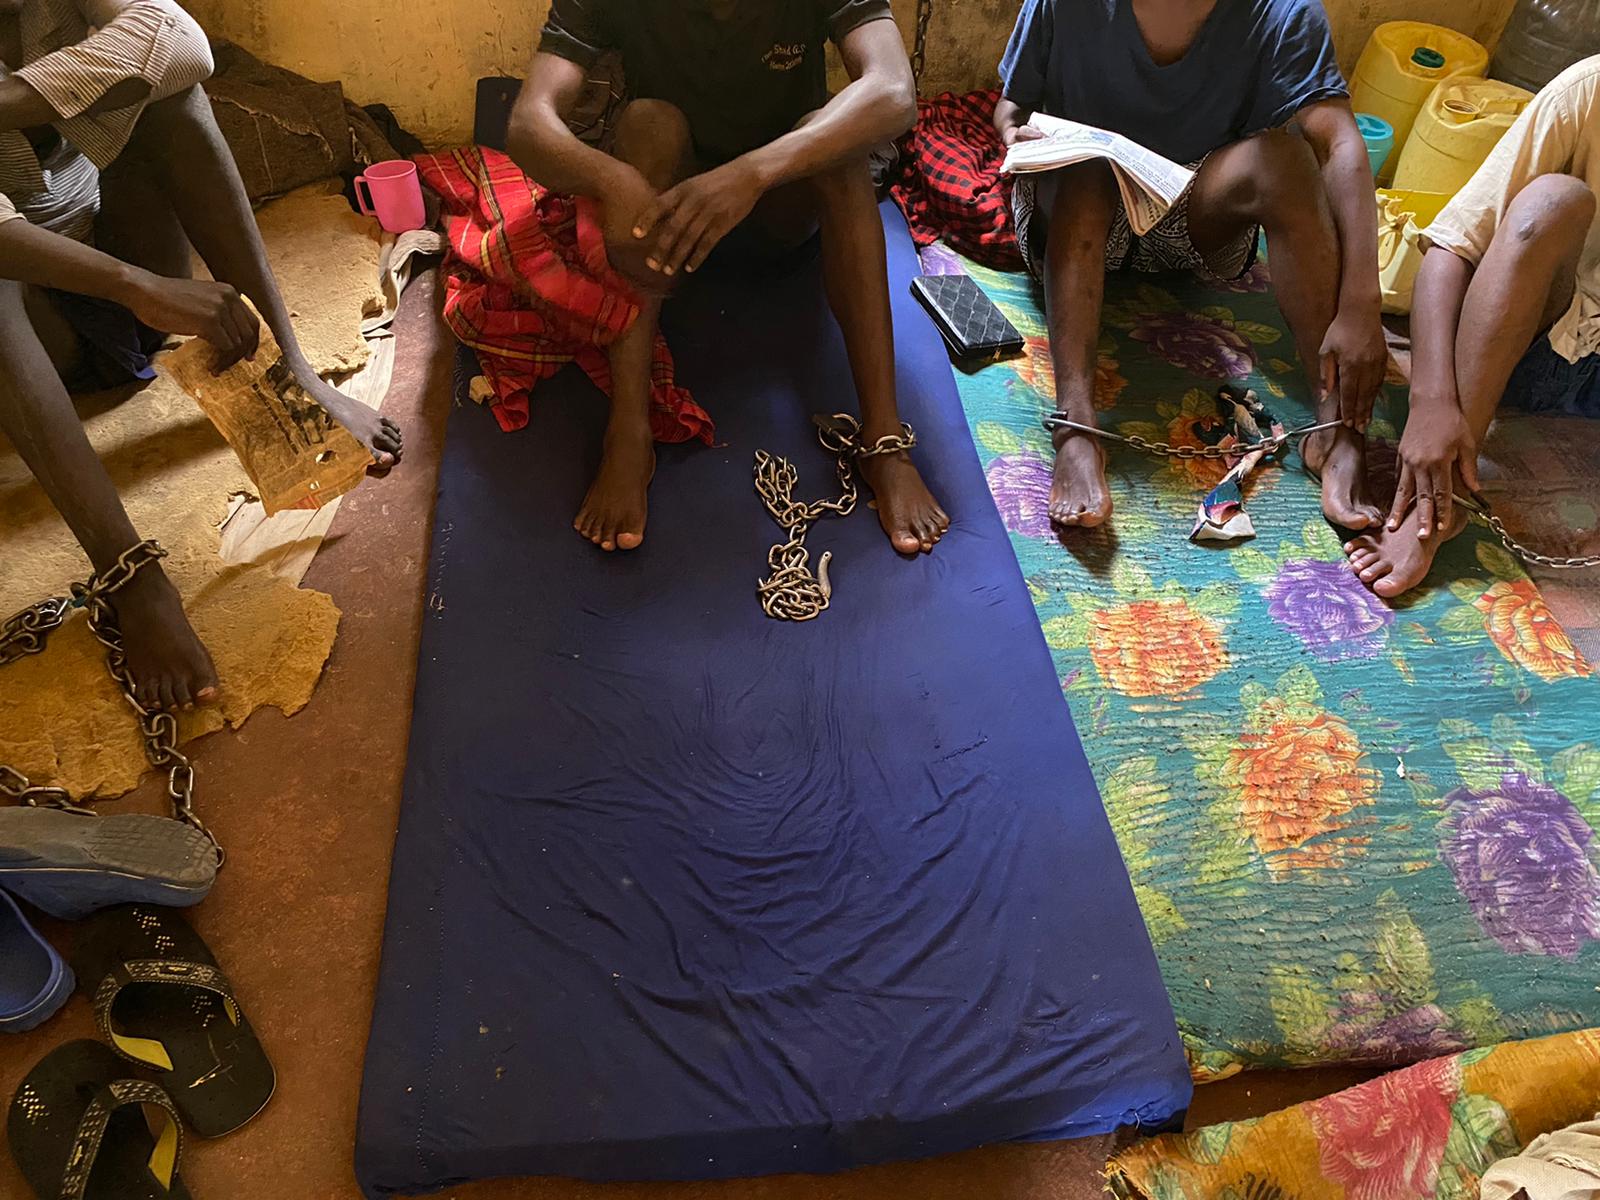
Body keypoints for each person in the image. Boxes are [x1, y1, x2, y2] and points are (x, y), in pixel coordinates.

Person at [0, 0, 402, 712]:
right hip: (30, 317)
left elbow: (177, 36)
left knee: (172, 95)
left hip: (105, 252)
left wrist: (11, 102)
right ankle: (130, 578)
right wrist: (140, 286)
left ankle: (292, 375)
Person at [507, 0, 949, 555]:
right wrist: (613, 180)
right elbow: (528, 122)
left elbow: (893, 92)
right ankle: (628, 430)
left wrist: (750, 174)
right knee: (648, 123)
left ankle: (884, 439)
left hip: (778, 200)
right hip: (675, 225)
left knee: (840, 144)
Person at [994, 0, 1387, 531]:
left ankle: (1334, 426)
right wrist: (1016, 136)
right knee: (1088, 170)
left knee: (1286, 159)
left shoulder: (1282, 13)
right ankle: (1078, 428)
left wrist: (1363, 301)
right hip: (1072, 218)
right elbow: (1012, 107)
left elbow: (1338, 141)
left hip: (1189, 221)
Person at [1345, 56, 1600, 598]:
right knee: (1553, 201)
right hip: (1553, 344)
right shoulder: (1586, 91)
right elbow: (1450, 248)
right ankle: (1443, 497)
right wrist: (1431, 401)